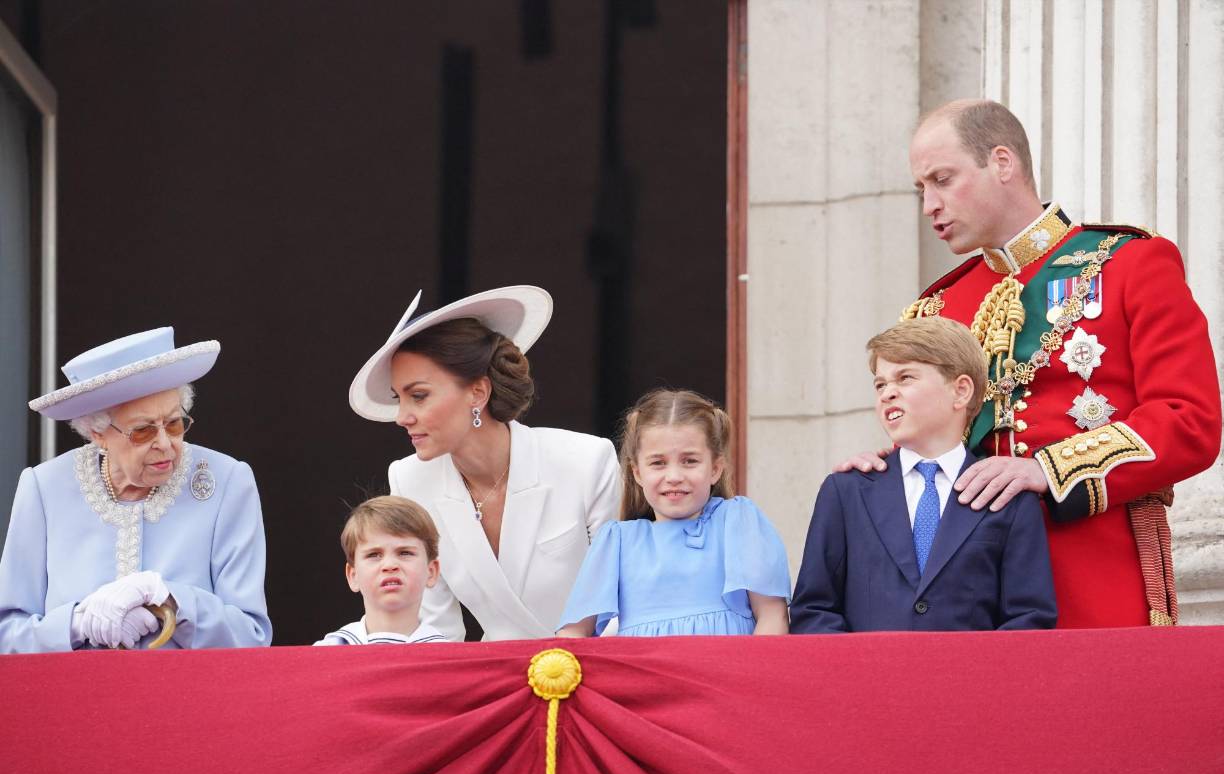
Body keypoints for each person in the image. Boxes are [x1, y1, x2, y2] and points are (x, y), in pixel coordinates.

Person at [838, 98, 1220, 627]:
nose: (929, 205)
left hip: (1087, 568)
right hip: (964, 585)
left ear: (1002, 163)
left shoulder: (1128, 264)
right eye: (920, 188)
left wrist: (1047, 470)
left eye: (942, 180)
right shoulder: (938, 307)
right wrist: (882, 470)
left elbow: (1188, 419)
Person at [349, 286, 621, 642]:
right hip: (492, 680)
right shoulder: (409, 479)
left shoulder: (586, 461)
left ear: (478, 392)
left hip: (594, 669)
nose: (402, 417)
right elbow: (435, 627)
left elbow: (622, 601)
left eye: (418, 396)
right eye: (398, 398)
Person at [0, 328, 272, 653]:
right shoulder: (44, 489)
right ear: (97, 433)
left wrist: (171, 601)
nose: (165, 444)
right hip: (73, 698)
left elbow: (250, 637)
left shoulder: (228, 483)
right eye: (143, 432)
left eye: (174, 424)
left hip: (188, 698)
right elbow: (7, 635)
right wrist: (75, 624)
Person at [792, 318, 1056, 633]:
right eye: (880, 384)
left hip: (972, 679)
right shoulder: (846, 490)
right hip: (867, 678)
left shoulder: (1007, 496)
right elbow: (813, 609)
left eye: (905, 378)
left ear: (960, 391)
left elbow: (1028, 619)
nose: (888, 393)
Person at [555, 389, 790, 637]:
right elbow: (573, 635)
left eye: (690, 461)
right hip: (642, 675)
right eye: (658, 463)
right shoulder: (616, 542)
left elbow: (772, 617)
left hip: (726, 672)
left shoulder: (738, 522)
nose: (674, 477)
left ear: (716, 468)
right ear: (637, 473)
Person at [315, 496, 447, 645]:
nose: (390, 565)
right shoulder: (324, 654)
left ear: (431, 571)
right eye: (374, 555)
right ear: (353, 575)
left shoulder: (450, 658)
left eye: (405, 553)